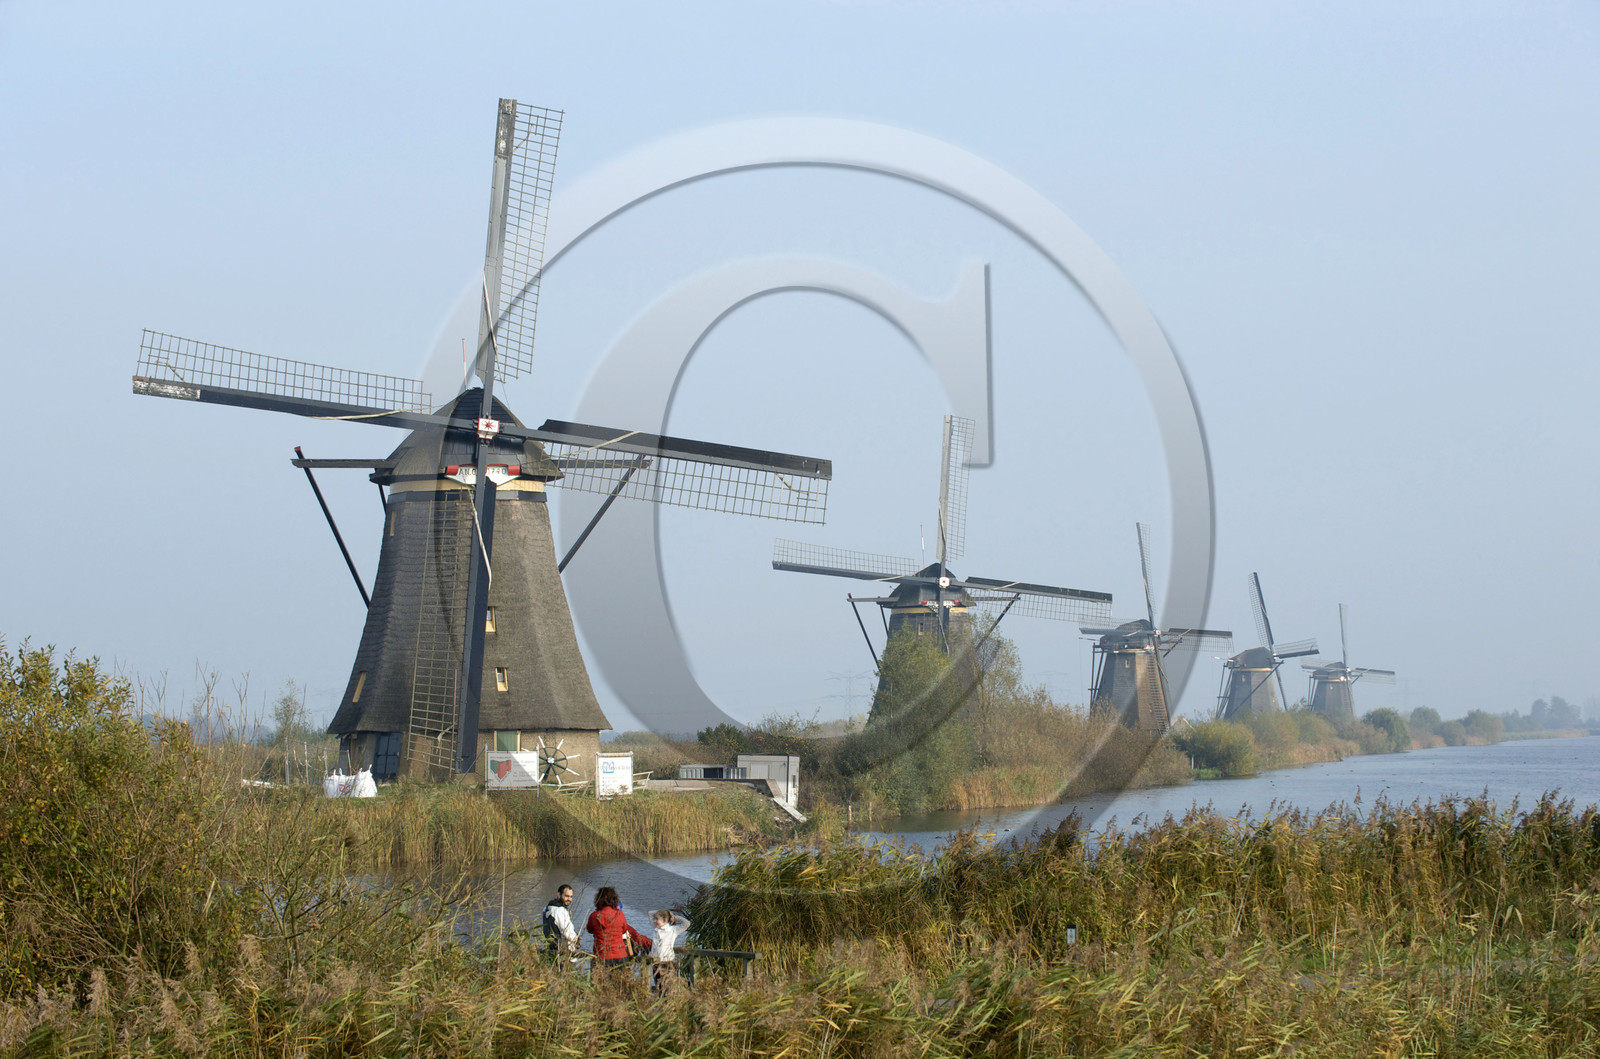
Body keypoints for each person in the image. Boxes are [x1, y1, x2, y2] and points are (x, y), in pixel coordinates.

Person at [585, 886, 651, 971]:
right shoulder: (619, 915)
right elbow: (624, 929)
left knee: (599, 983)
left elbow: (589, 929)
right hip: (620, 955)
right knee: (621, 983)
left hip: (602, 955)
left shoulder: (594, 916)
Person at [649, 909, 691, 994]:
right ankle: (661, 1005)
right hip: (656, 963)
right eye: (655, 919)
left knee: (668, 988)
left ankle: (668, 1005)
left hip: (667, 962)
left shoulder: (673, 930)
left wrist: (674, 917)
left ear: (664, 920)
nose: (654, 921)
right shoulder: (656, 929)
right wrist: (666, 912)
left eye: (657, 919)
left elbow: (687, 924)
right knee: (658, 987)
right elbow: (650, 913)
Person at [541, 884, 580, 962]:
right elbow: (567, 932)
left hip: (550, 950)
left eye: (571, 897)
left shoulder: (546, 909)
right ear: (558, 895)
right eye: (566, 896)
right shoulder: (560, 911)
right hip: (562, 954)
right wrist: (576, 939)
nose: (569, 899)